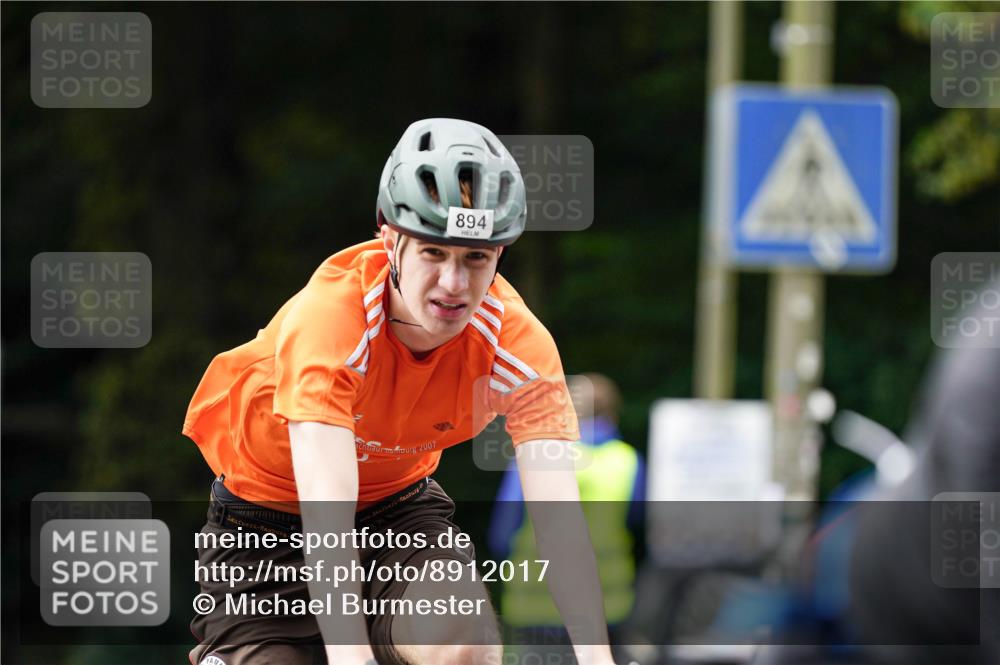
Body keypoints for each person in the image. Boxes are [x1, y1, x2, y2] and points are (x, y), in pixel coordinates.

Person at [182, 119, 622, 665]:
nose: (454, 286)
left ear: (500, 256)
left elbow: (558, 521)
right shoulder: (332, 321)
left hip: (398, 515)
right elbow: (327, 516)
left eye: (475, 258)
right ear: (389, 240)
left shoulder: (518, 345)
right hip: (265, 524)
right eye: (434, 253)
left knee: (462, 642)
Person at [489, 373, 646, 660]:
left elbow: (501, 533)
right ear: (613, 412)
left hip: (534, 601)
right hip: (605, 603)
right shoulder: (627, 461)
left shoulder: (533, 454)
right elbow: (636, 521)